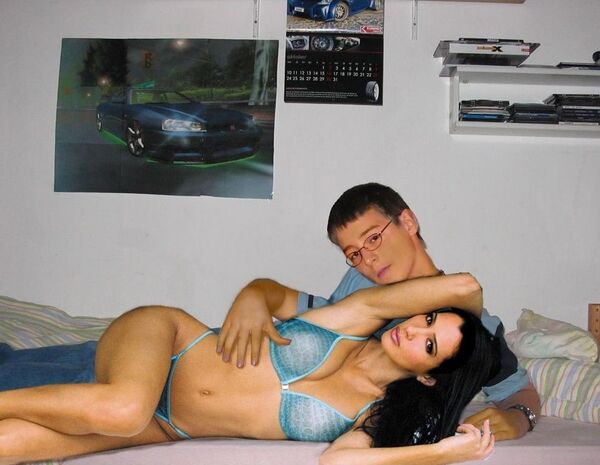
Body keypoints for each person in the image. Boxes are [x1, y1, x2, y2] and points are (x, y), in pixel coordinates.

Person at [0, 273, 499, 465]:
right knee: (122, 408)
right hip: (168, 342)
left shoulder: (374, 415)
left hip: (166, 424)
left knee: (9, 447)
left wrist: (440, 453)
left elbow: (340, 464)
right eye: (426, 319)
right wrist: (477, 343)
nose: (412, 330)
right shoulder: (353, 318)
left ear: (430, 376)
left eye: (429, 344)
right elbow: (466, 287)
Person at [216, 182, 541, 441]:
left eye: (373, 238)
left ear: (408, 222)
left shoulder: (476, 325)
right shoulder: (360, 284)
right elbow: (316, 320)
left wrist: (518, 419)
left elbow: (520, 392)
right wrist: (257, 292)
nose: (368, 260)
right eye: (354, 254)